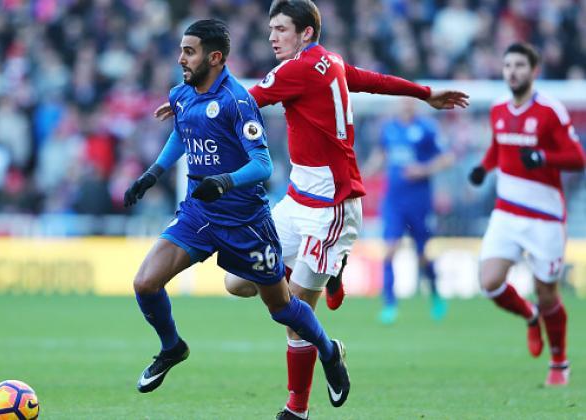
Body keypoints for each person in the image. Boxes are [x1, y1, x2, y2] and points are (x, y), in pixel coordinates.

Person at [156, 2, 468, 419]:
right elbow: (372, 81)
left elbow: (242, 101)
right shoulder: (331, 61)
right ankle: (329, 286)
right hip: (297, 199)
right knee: (236, 283)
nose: (272, 36)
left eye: (281, 29)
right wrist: (424, 92)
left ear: (305, 33)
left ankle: (296, 410)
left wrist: (191, 106)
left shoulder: (294, 70)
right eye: (270, 28)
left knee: (294, 316)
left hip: (332, 207)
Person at [125, 19, 350, 408]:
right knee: (145, 283)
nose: (180, 58)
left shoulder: (237, 101)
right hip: (199, 214)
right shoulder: (182, 94)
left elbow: (263, 164)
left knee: (281, 309)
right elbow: (183, 131)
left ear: (214, 57)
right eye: (181, 50)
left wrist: (225, 182)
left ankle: (329, 351)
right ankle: (173, 347)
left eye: (189, 51)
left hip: (247, 223)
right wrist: (152, 174)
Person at [469, 42, 585, 387]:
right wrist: (483, 167)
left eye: (520, 65)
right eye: (507, 66)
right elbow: (498, 146)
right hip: (506, 212)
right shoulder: (498, 108)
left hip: (545, 217)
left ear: (534, 71)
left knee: (547, 291)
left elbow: (578, 158)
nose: (513, 72)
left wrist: (544, 158)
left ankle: (559, 362)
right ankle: (529, 315)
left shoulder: (551, 111)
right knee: (489, 282)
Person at [363, 98, 454, 324]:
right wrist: (362, 174)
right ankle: (390, 304)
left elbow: (447, 158)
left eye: (410, 101)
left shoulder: (427, 129)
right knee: (390, 249)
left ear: (416, 104)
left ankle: (434, 294)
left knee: (422, 254)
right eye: (403, 100)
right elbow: (381, 156)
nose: (406, 105)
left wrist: (423, 170)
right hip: (393, 200)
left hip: (419, 201)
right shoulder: (389, 128)